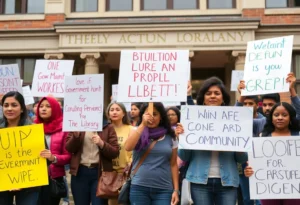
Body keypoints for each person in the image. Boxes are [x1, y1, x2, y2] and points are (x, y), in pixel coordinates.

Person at [177, 77, 248, 205]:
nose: (212, 96)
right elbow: (184, 156)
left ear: (223, 98)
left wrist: (239, 144)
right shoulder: (193, 121)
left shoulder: (234, 121)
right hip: (199, 181)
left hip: (228, 182)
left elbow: (242, 159)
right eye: (208, 93)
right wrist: (182, 139)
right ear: (203, 98)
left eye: (217, 93)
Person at [244, 102, 300, 205]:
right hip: (268, 190)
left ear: (291, 117)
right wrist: (250, 170)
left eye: (284, 115)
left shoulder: (298, 137)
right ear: (271, 117)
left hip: (294, 190)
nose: (280, 118)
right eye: (276, 115)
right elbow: (258, 166)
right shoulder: (262, 138)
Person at [125, 102, 179, 205]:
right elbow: (128, 147)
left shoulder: (171, 136)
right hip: (139, 188)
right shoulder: (136, 131)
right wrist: (142, 125)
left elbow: (173, 164)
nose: (151, 117)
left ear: (161, 117)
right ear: (142, 116)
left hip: (164, 189)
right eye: (148, 114)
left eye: (155, 114)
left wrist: (176, 190)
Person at [65, 120, 119, 204]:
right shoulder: (77, 125)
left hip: (100, 174)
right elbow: (69, 148)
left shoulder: (107, 127)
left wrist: (102, 144)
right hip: (80, 172)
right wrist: (75, 136)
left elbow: (115, 152)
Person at [0, 91, 40, 205]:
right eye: (6, 105)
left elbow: (42, 161)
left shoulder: (33, 130)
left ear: (22, 108)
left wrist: (49, 156)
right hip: (2, 184)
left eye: (14, 105)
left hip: (29, 185)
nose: (9, 108)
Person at [35, 97, 71, 205]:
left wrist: (53, 158)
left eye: (48, 106)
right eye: (41, 106)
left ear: (55, 109)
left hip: (53, 179)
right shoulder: (31, 128)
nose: (43, 109)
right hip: (33, 178)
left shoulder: (64, 129)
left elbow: (68, 156)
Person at [105, 102, 134, 205]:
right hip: (108, 174)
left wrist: (130, 164)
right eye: (111, 110)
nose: (114, 112)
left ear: (124, 113)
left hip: (126, 174)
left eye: (117, 109)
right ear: (108, 114)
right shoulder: (104, 130)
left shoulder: (131, 129)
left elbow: (134, 150)